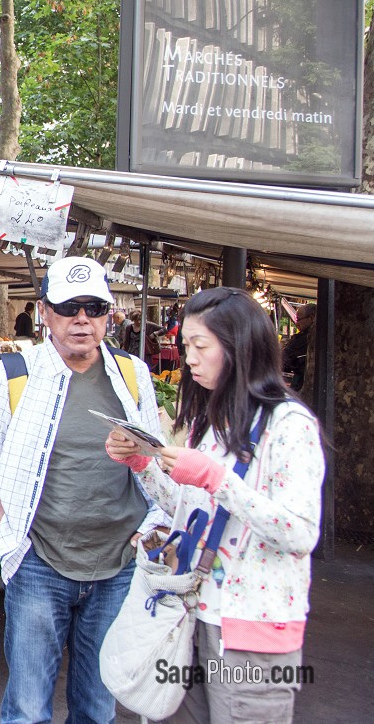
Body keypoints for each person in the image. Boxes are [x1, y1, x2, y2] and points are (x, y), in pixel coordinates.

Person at [106, 287, 323, 724]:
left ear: (239, 347)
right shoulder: (213, 423)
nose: (189, 358)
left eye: (200, 346)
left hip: (252, 633)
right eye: (186, 345)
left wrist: (215, 478)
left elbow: (300, 533)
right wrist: (141, 463)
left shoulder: (290, 425)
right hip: (193, 617)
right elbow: (189, 512)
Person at [0, 255, 165, 724]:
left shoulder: (133, 374)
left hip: (117, 563)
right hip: (40, 562)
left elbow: (156, 462)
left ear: (109, 315)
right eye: (69, 306)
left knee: (98, 707)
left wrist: (151, 528)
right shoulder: (13, 374)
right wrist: (9, 530)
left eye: (95, 308)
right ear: (45, 312)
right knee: (28, 707)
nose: (82, 319)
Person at [280, 303, 316, 392]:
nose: (297, 324)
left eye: (299, 319)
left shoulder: (303, 339)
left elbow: (284, 360)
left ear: (311, 318)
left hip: (300, 388)